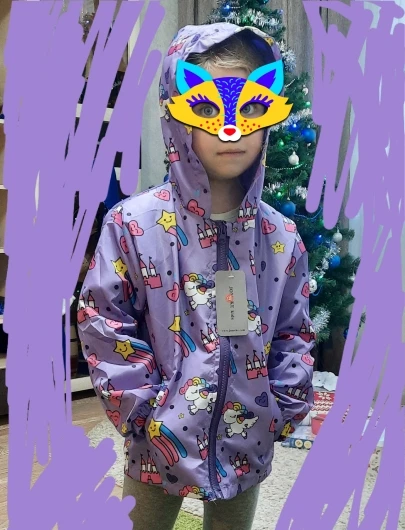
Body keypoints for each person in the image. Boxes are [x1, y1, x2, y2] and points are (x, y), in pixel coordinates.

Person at [78, 23, 316, 530]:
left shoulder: (281, 237)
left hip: (246, 436)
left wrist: (284, 402)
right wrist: (142, 412)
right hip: (156, 440)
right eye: (206, 109)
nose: (230, 128)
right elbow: (104, 321)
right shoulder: (133, 225)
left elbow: (293, 329)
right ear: (176, 114)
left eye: (251, 108)